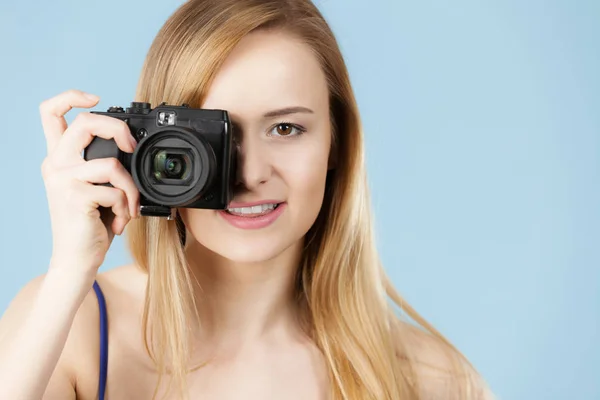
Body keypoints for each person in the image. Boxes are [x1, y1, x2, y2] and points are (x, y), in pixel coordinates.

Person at [0, 0, 494, 399]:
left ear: (336, 144)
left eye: (285, 128)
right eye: (213, 135)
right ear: (152, 149)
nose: (251, 173)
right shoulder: (69, 328)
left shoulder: (431, 381)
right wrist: (69, 272)